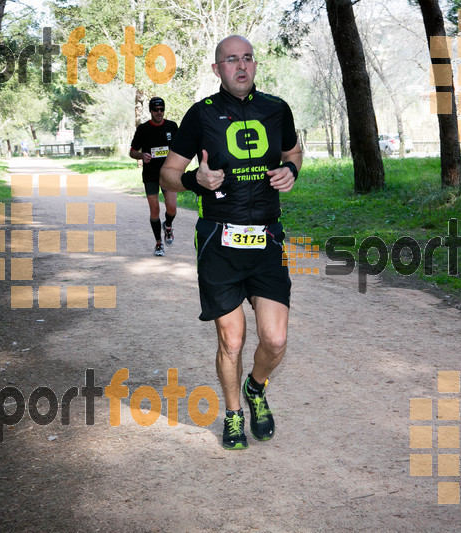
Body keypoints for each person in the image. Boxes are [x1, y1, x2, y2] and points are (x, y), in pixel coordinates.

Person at [160, 35, 302, 450]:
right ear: (217, 69)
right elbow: (167, 174)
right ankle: (235, 413)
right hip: (219, 242)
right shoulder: (200, 115)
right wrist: (194, 180)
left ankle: (256, 388)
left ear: (254, 64)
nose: (241, 66)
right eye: (230, 60)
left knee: (275, 340)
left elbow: (294, 151)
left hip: (266, 240)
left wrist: (292, 171)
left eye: (247, 59)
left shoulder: (277, 109)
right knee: (232, 340)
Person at [130, 97, 179, 256]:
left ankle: (169, 226)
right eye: (156, 110)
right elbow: (132, 152)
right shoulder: (143, 129)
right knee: (155, 210)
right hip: (151, 174)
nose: (159, 112)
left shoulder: (172, 126)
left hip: (168, 173)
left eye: (161, 109)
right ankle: (159, 243)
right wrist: (141, 155)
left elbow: (180, 149)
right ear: (150, 111)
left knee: (171, 208)